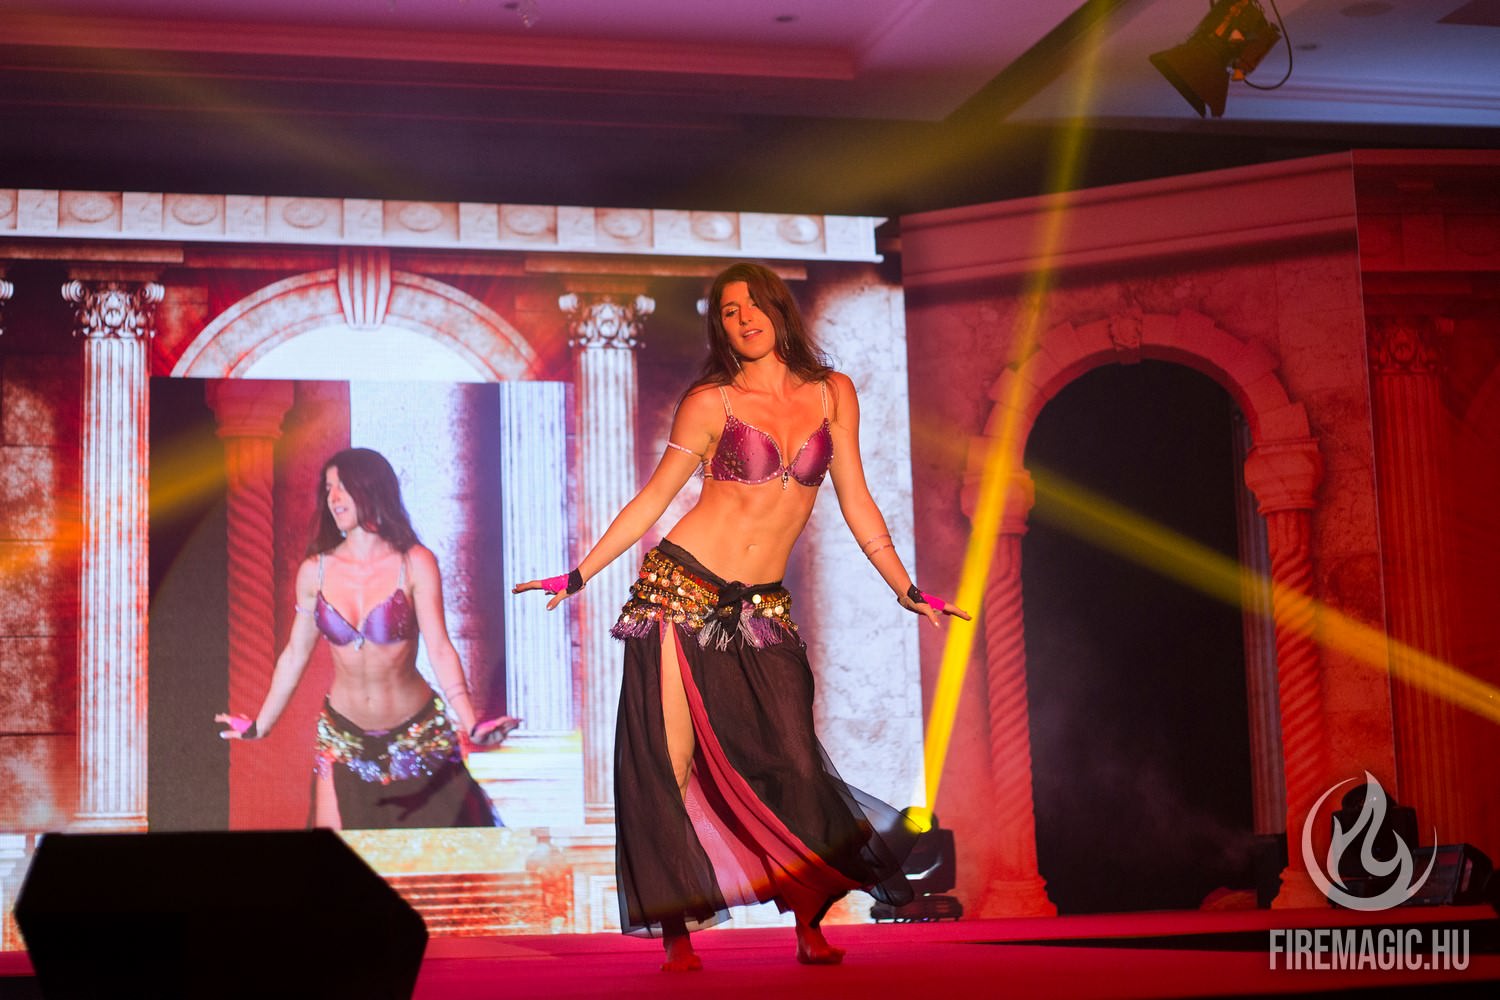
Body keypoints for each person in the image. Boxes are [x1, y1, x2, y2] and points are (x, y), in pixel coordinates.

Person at [514, 263, 969, 970]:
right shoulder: (711, 402)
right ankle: (676, 933)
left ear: (779, 310)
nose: (744, 318)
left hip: (761, 608)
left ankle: (808, 925)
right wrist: (579, 574)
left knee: (794, 760)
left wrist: (904, 586)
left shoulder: (833, 393)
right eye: (729, 311)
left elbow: (856, 497)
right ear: (719, 326)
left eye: (754, 305)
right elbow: (652, 499)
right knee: (668, 763)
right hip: (679, 593)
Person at [217, 447, 518, 830]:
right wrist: (261, 724)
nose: (334, 497)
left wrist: (472, 723)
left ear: (373, 488)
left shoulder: (415, 562)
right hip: (342, 738)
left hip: (419, 737)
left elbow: (440, 648)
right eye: (329, 488)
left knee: (437, 855)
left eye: (343, 486)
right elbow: (295, 654)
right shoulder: (315, 571)